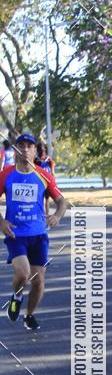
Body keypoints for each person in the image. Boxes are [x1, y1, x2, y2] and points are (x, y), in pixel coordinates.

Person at [0, 133, 67, 330]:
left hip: (38, 235)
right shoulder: (6, 174)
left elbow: (62, 201)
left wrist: (57, 216)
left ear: (35, 150)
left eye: (29, 146)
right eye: (21, 145)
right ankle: (17, 297)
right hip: (16, 234)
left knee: (38, 281)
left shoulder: (43, 175)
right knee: (23, 273)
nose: (25, 149)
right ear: (15, 150)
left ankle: (29, 315)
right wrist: (1, 222)